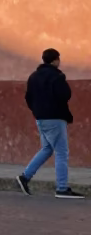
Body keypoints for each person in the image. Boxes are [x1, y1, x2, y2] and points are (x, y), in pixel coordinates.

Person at [18, 48, 84, 199]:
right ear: (55, 60)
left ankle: (25, 177)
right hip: (55, 118)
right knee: (62, 152)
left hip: (41, 118)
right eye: (58, 59)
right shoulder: (57, 76)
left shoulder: (33, 77)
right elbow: (66, 95)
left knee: (47, 148)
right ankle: (62, 188)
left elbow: (28, 98)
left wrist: (37, 110)